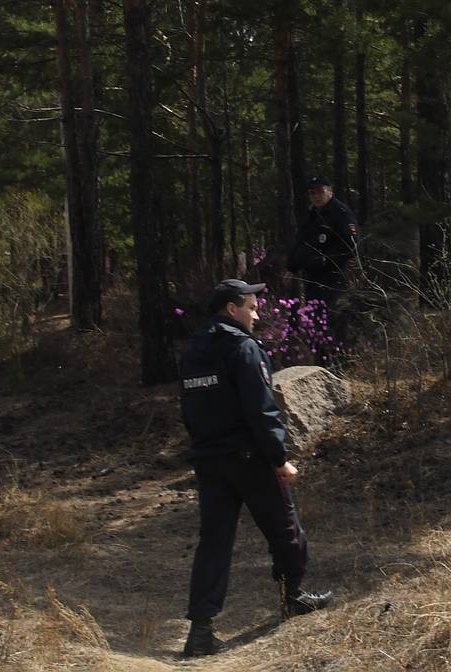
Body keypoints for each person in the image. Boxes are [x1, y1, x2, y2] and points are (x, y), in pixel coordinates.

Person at [179, 279, 332, 657]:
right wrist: (279, 459)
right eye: (251, 306)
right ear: (231, 308)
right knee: (285, 528)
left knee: (214, 543)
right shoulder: (243, 348)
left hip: (209, 459)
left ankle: (200, 631)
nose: (257, 312)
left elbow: (189, 411)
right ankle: (292, 596)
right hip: (249, 457)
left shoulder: (193, 350)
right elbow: (261, 410)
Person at [286, 175, 359, 309]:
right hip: (312, 277)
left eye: (320, 191)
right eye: (312, 193)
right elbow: (301, 241)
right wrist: (291, 268)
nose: (316, 196)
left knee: (331, 317)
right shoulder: (312, 215)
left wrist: (326, 260)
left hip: (334, 278)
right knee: (314, 318)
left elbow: (350, 245)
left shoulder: (341, 213)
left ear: (330, 191)